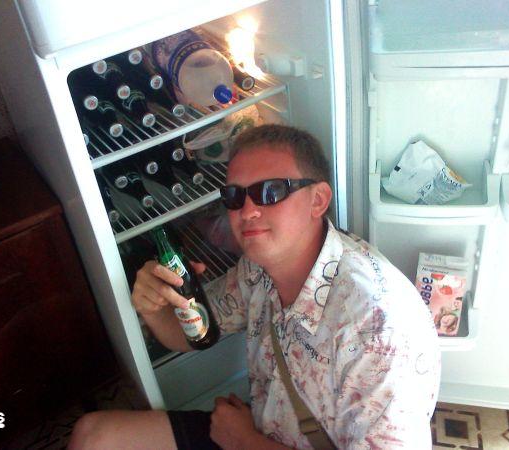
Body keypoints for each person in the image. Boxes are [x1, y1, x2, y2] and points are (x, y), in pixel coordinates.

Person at [68, 124, 441, 449]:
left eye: (271, 191)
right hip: (259, 431)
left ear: (318, 200)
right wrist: (155, 305)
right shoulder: (257, 269)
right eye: (234, 196)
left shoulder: (379, 329)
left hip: (249, 439)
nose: (247, 211)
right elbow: (192, 334)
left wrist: (243, 441)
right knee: (92, 435)